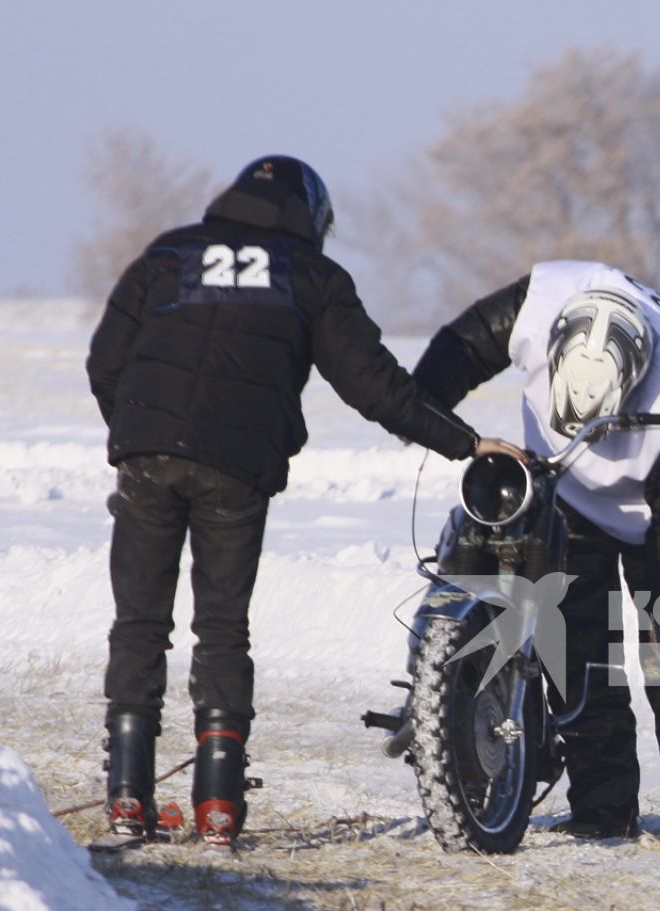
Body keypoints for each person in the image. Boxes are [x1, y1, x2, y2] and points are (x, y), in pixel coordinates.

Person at [87, 155, 509, 850]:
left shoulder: (169, 253)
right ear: (312, 217)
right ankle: (218, 804)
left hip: (146, 454)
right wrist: (465, 444)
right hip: (237, 468)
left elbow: (106, 360)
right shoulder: (311, 275)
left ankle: (128, 798)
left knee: (138, 623)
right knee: (221, 630)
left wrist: (137, 430)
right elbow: (374, 386)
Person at [409, 262, 660, 845]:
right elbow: (457, 348)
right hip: (557, 487)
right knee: (574, 648)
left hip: (657, 508)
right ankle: (603, 808)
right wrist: (422, 409)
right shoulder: (537, 302)